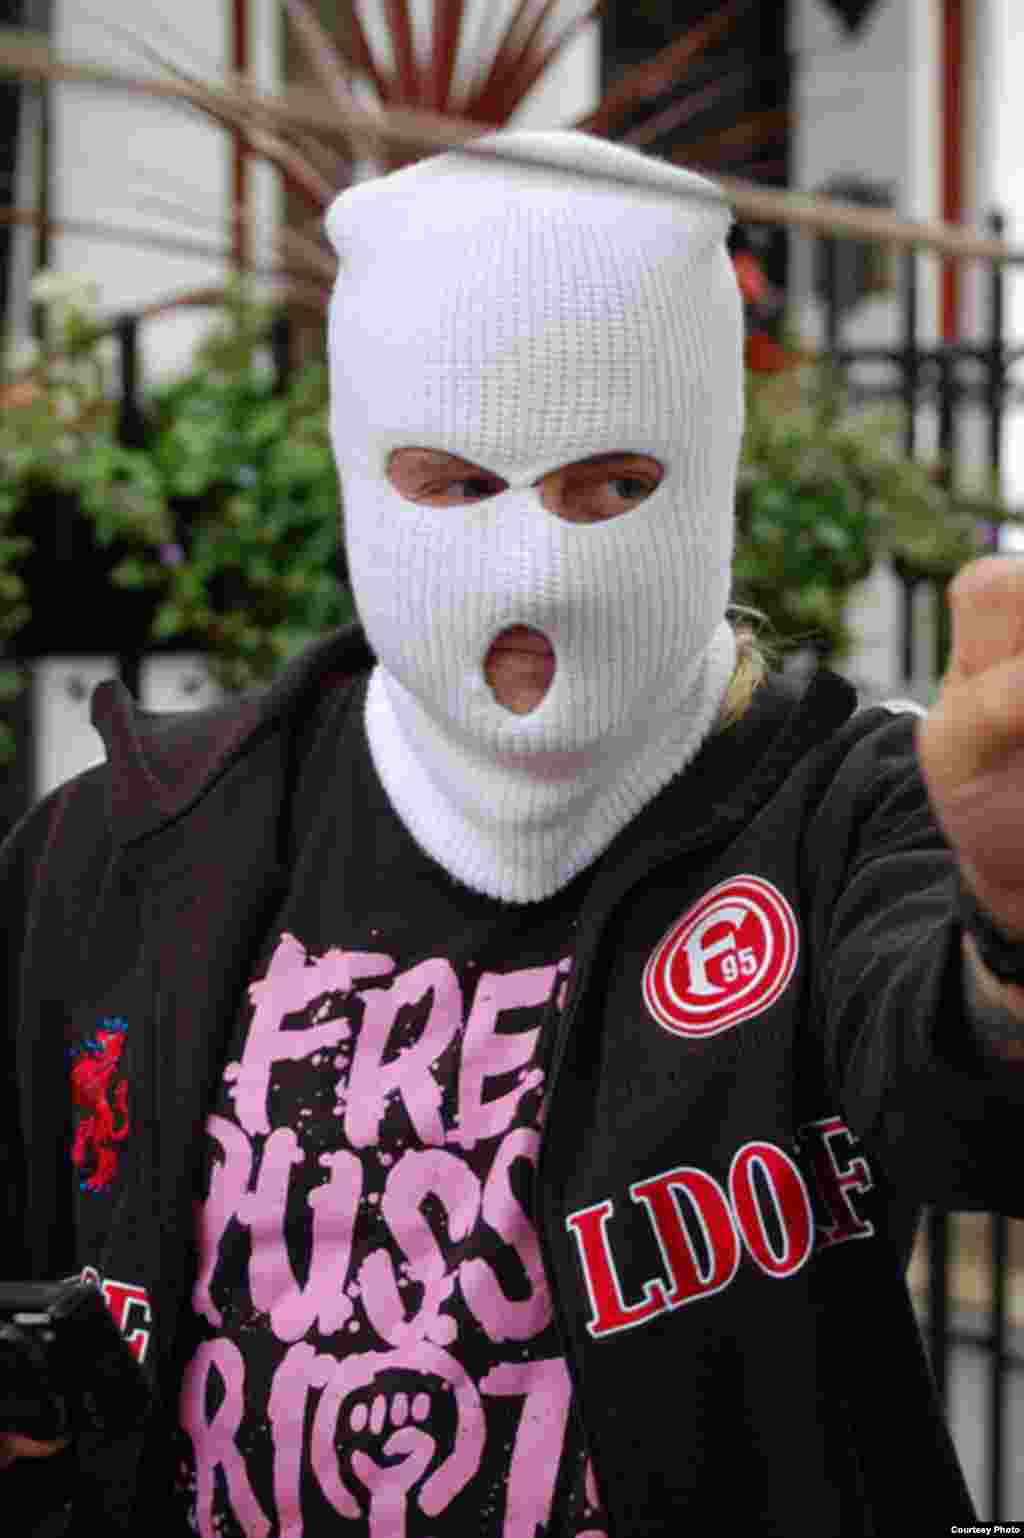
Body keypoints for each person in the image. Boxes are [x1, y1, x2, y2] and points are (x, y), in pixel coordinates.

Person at [3, 127, 1024, 1538]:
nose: (537, 564)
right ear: (363, 474)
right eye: (458, 484)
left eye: (614, 485)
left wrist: (1010, 924)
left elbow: (972, 1105)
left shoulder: (839, 821)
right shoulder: (127, 848)